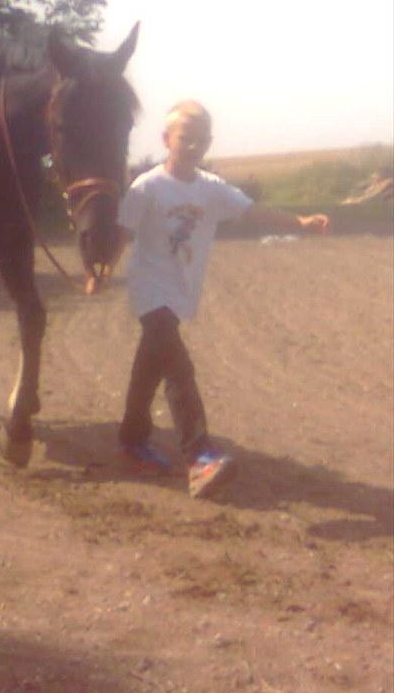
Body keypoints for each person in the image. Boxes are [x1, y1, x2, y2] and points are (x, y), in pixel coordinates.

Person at [116, 100, 329, 498]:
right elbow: (121, 235)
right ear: (166, 139)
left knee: (151, 365)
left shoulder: (210, 189)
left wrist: (299, 222)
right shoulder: (146, 188)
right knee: (179, 367)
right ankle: (199, 457)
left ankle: (131, 440)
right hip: (149, 290)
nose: (192, 146)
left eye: (200, 140)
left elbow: (253, 212)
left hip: (180, 291)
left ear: (209, 142)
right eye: (185, 138)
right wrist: (97, 272)